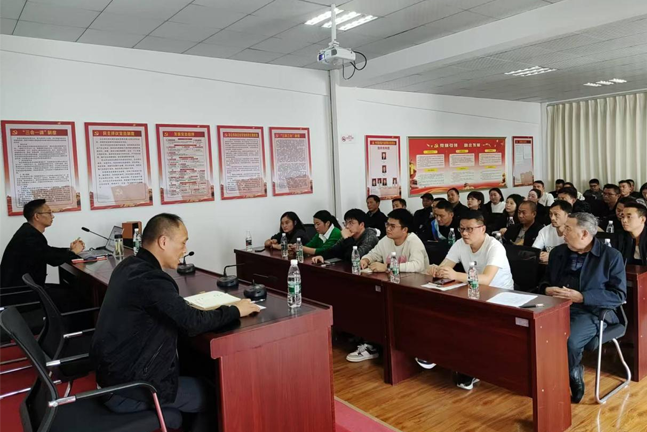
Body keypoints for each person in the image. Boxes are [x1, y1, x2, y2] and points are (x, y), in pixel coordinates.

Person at [91, 214, 260, 431]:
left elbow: (165, 308)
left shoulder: (129, 266)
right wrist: (236, 310)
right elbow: (192, 323)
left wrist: (184, 306)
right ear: (163, 241)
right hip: (132, 388)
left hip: (113, 378)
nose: (184, 250)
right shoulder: (152, 279)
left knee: (197, 373)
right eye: (182, 243)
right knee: (218, 394)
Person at [539, 212, 626, 403]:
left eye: (568, 228)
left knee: (569, 341)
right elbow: (545, 281)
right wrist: (546, 289)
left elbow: (619, 296)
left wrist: (582, 297)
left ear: (584, 233)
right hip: (557, 306)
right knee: (533, 331)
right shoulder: (558, 252)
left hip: (592, 311)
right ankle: (541, 379)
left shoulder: (610, 256)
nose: (562, 232)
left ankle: (574, 372)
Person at [422, 210, 514, 389]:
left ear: (482, 229)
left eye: (469, 229)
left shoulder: (494, 247)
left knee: (467, 322)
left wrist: (455, 274)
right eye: (462, 229)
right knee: (440, 311)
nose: (464, 233)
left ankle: (468, 368)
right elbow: (444, 267)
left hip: (499, 296)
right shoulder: (460, 244)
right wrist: (437, 270)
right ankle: (436, 354)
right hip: (473, 293)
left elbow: (486, 279)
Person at [1, 199, 85, 312]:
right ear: (37, 216)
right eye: (49, 212)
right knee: (76, 296)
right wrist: (73, 252)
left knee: (70, 290)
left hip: (24, 289)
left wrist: (69, 250)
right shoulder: (30, 236)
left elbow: (46, 251)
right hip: (20, 295)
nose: (53, 216)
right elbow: (53, 260)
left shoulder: (28, 232)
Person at [360, 209, 429, 273]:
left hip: (415, 280)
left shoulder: (414, 241)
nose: (388, 229)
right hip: (393, 278)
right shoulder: (386, 239)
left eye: (392, 226)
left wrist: (387, 267)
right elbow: (373, 254)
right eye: (387, 224)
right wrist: (366, 260)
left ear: (404, 230)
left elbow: (417, 266)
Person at [311, 209, 379, 264]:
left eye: (351, 223)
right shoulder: (350, 235)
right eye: (346, 223)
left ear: (361, 225)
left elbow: (355, 259)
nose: (347, 226)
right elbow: (334, 250)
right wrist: (322, 256)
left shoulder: (370, 237)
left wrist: (347, 239)